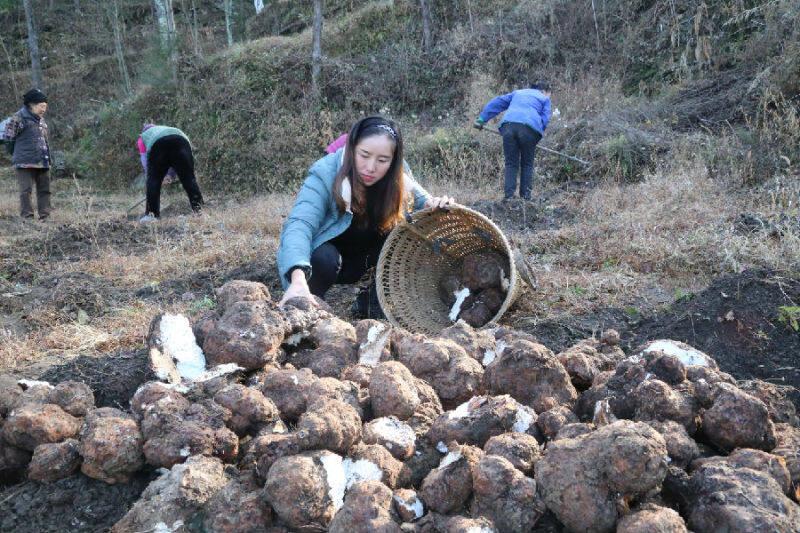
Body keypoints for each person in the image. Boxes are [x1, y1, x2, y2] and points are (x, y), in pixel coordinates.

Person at [277, 115, 453, 318]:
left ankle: (373, 299)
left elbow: (425, 203)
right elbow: (299, 225)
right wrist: (297, 278)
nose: (371, 167)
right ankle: (306, 303)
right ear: (351, 149)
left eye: (382, 160)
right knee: (323, 258)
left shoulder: (399, 177)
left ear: (393, 161)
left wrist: (438, 205)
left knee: (403, 233)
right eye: (364, 155)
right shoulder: (324, 173)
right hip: (326, 260)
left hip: (365, 259)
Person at [474, 81, 552, 201]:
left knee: (511, 163)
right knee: (527, 164)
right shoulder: (544, 98)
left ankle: (509, 196)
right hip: (529, 128)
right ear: (545, 92)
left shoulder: (518, 93)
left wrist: (482, 119)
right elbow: (545, 119)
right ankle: (525, 199)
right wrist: (536, 135)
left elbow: (498, 103)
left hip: (508, 126)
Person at [138, 123, 204, 222]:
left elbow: (145, 160)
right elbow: (175, 158)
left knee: (153, 179)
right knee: (189, 178)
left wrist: (156, 176)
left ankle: (152, 215)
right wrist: (170, 175)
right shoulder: (170, 129)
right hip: (182, 141)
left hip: (159, 144)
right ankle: (200, 211)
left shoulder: (143, 137)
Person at [3, 88, 52, 220]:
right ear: (32, 105)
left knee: (45, 190)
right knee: (26, 191)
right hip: (24, 162)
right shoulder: (18, 118)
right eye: (41, 106)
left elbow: (45, 141)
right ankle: (27, 217)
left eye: (45, 106)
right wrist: (17, 154)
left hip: (43, 160)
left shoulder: (41, 120)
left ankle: (45, 216)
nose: (44, 109)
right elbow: (8, 138)